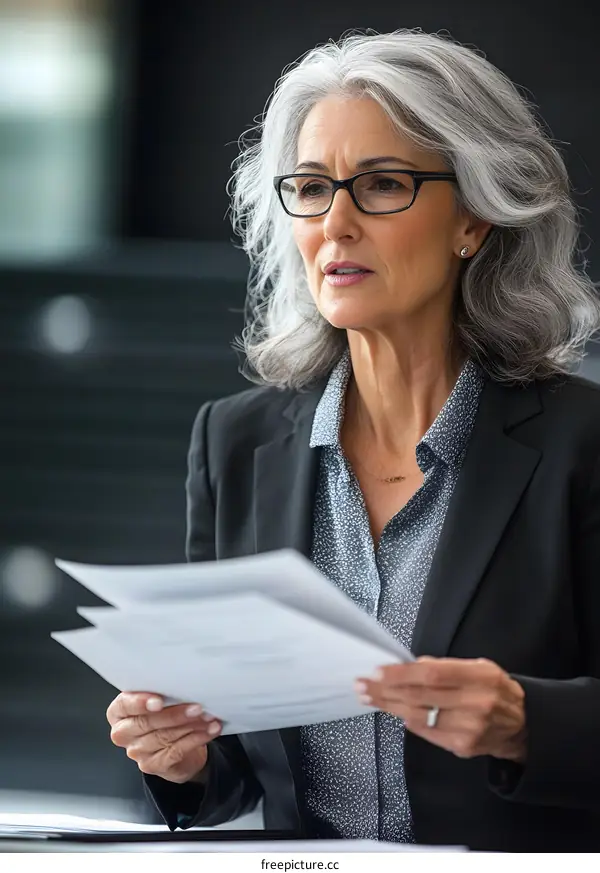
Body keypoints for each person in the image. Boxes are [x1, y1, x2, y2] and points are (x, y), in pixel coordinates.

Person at [105, 29, 600, 851]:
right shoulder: (236, 441)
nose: (335, 222)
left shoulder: (583, 444)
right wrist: (177, 755)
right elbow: (231, 769)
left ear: (473, 218)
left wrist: (525, 722)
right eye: (310, 187)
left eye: (381, 185)